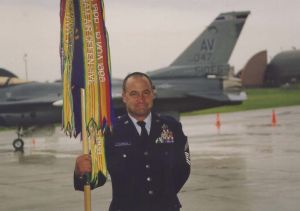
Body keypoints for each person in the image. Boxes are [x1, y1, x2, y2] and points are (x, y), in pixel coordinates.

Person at [74, 72, 191, 211]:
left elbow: (183, 168)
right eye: (134, 93)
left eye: (146, 92)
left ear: (153, 94)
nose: (141, 99)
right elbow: (95, 179)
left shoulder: (172, 127)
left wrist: (163, 198)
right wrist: (80, 172)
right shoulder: (108, 132)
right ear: (124, 97)